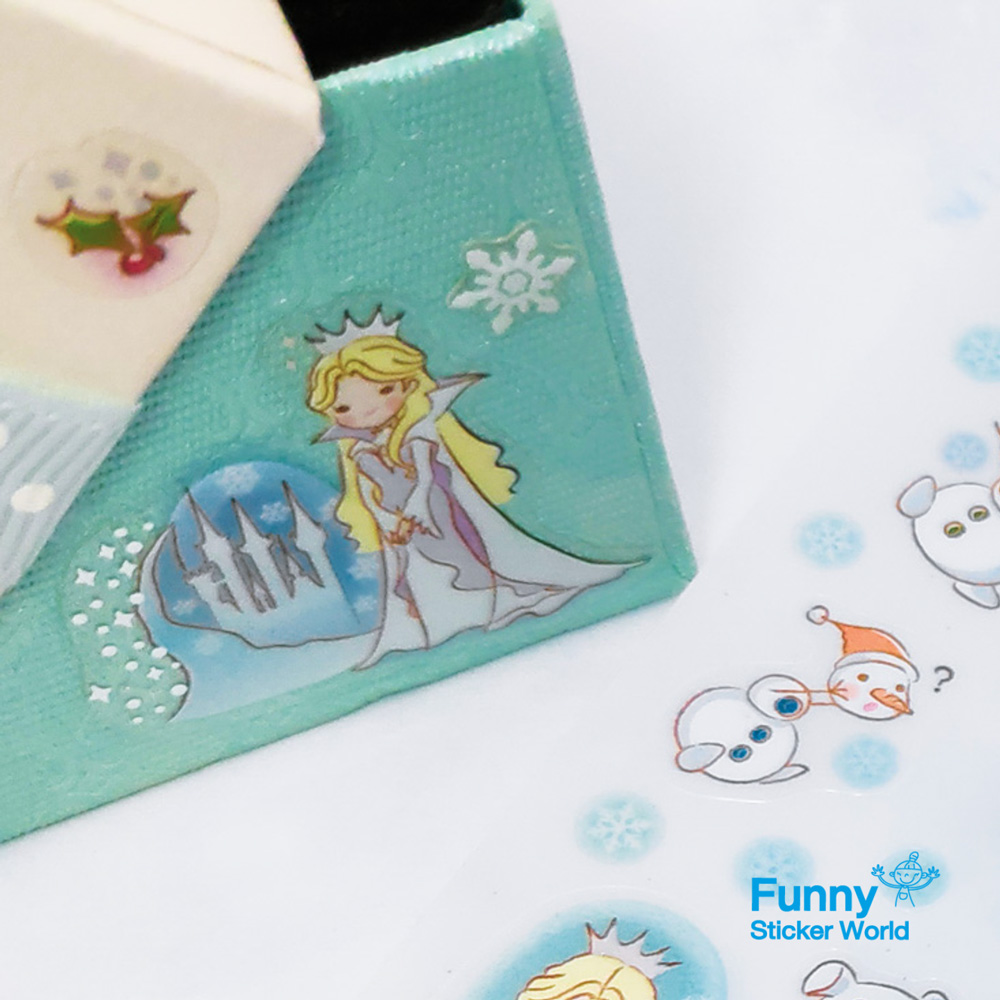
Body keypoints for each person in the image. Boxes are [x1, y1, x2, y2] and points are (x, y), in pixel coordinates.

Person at [306, 311, 630, 667]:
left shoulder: (418, 431)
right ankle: (448, 611)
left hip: (435, 508)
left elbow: (426, 476)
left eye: (384, 390)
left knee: (460, 555)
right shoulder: (360, 452)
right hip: (400, 521)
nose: (368, 411)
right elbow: (370, 496)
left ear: (408, 385)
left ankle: (504, 591)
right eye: (343, 407)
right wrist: (390, 520)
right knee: (419, 568)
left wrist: (417, 505)